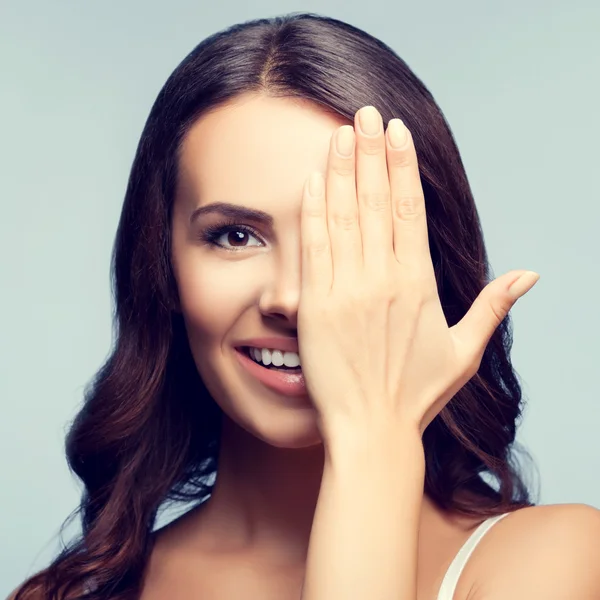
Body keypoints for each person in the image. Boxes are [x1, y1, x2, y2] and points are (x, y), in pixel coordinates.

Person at [9, 12, 600, 600]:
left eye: (346, 238)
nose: (290, 299)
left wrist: (375, 439)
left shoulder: (552, 562)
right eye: (235, 235)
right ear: (162, 267)